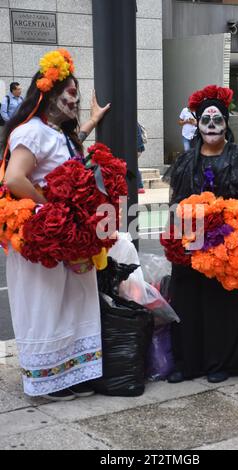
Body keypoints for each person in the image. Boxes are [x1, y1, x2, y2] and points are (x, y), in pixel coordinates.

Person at [2, 49, 110, 401]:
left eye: (76, 98)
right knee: (48, 303)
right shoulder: (30, 132)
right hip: (44, 235)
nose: (74, 103)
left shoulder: (57, 132)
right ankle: (47, 380)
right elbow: (15, 178)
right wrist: (52, 209)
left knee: (74, 302)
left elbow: (63, 152)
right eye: (71, 97)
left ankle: (72, 373)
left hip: (69, 234)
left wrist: (92, 120)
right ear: (48, 95)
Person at [164, 85, 238, 384]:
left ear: (227, 123)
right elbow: (175, 199)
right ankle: (188, 362)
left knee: (221, 303)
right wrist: (175, 230)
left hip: (230, 239)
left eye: (217, 120)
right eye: (206, 120)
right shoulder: (186, 160)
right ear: (197, 124)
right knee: (186, 299)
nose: (212, 125)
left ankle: (220, 362)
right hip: (193, 239)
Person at [137, 122, 145, 194]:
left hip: (136, 149)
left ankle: (140, 186)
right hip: (138, 149)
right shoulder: (136, 123)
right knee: (133, 166)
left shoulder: (132, 124)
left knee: (133, 166)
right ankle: (139, 186)